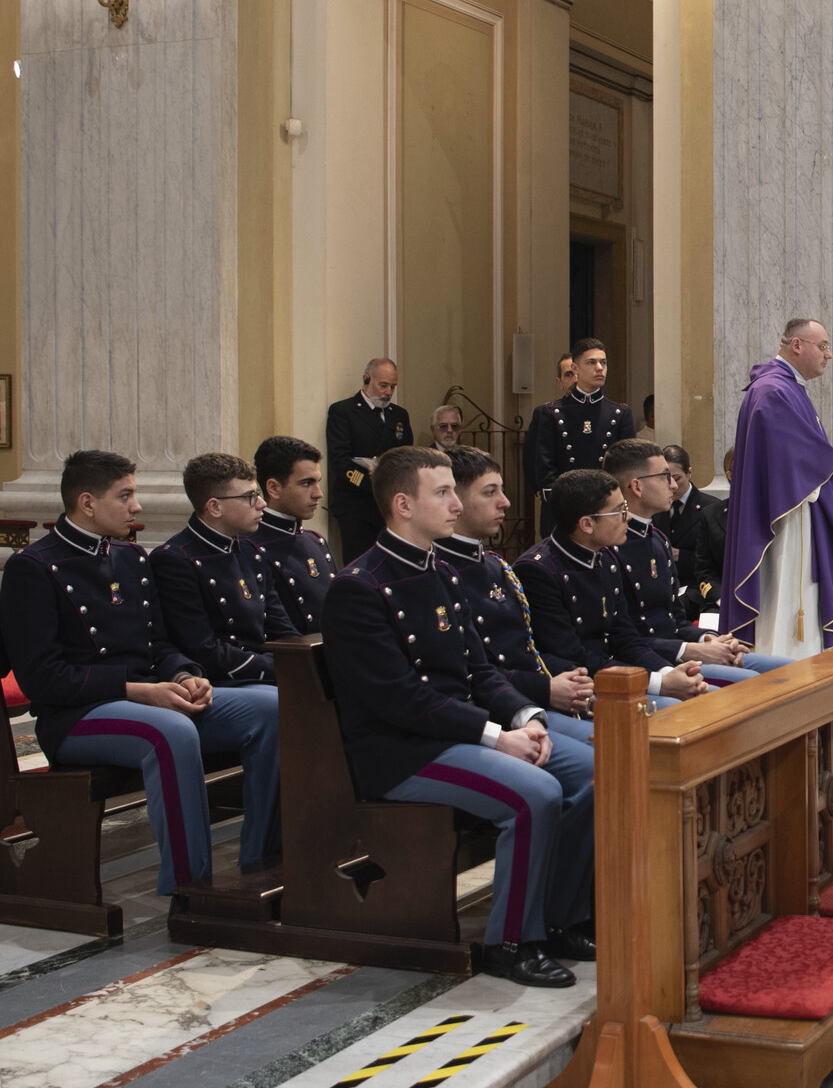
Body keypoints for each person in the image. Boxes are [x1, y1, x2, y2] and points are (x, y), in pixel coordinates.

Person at [320, 446, 593, 986]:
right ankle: (512, 942)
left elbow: (478, 668)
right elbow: (399, 699)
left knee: (594, 772)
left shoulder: (439, 572)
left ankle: (563, 918)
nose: (454, 503)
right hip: (402, 752)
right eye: (442, 492)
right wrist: (496, 738)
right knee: (533, 793)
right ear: (403, 504)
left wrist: (522, 716)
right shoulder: (359, 587)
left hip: (457, 732)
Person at [0, 450, 283, 891]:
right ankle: (189, 887)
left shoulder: (131, 558)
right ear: (88, 502)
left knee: (273, 707)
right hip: (77, 718)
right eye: (126, 495)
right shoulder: (33, 567)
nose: (137, 506)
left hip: (148, 698)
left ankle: (261, 863)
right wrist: (137, 690)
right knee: (170, 732)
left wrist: (187, 674)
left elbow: (159, 644)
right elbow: (42, 678)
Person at [722, 319, 833, 656]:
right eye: (823, 346)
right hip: (785, 523)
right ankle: (784, 680)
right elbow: (779, 466)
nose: (829, 355)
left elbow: (791, 450)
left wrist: (825, 456)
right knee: (787, 606)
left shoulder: (786, 387)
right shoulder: (774, 391)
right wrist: (830, 463)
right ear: (797, 346)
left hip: (796, 513)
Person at [517, 469, 708, 702]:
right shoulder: (538, 570)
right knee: (687, 711)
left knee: (707, 699)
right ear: (587, 524)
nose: (628, 517)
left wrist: (668, 674)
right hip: (586, 686)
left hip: (621, 672)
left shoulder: (605, 558)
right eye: (620, 511)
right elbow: (571, 655)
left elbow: (626, 639)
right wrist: (656, 682)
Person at [603, 440, 790, 679]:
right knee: (759, 684)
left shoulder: (657, 539)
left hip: (678, 650)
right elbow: (626, 636)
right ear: (637, 487)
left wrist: (708, 638)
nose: (672, 485)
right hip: (653, 662)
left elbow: (675, 618)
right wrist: (690, 650)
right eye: (664, 477)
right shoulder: (611, 547)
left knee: (793, 670)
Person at [439, 447, 599, 724]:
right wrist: (546, 689)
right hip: (497, 711)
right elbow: (474, 670)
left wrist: (574, 675)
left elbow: (526, 651)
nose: (505, 502)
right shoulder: (441, 573)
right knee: (602, 759)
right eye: (490, 492)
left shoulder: (494, 565)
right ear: (456, 500)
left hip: (531, 695)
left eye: (501, 491)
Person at [152, 453, 299, 686]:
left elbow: (283, 631)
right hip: (221, 681)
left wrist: (305, 663)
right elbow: (203, 650)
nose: (261, 504)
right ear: (214, 507)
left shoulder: (252, 552)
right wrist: (280, 669)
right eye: (250, 496)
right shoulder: (174, 560)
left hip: (265, 673)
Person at [524, 337, 634, 540]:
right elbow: (543, 467)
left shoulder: (619, 413)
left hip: (605, 510)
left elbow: (626, 467)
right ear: (575, 368)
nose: (599, 368)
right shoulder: (552, 413)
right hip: (565, 512)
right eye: (591, 363)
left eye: (603, 362)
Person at [326, 358, 414, 564]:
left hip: (389, 503)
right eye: (383, 385)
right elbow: (339, 460)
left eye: (393, 386)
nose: (389, 392)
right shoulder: (344, 412)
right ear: (366, 380)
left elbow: (407, 456)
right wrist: (372, 484)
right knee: (361, 563)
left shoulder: (399, 415)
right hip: (357, 502)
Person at [249, 435, 338, 634]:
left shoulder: (316, 541)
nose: (318, 493)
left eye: (317, 482)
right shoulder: (249, 546)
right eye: (307, 483)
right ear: (273, 488)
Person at [657, 444, 726, 621]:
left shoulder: (710, 508)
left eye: (677, 478)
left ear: (689, 472)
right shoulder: (657, 507)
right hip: (663, 583)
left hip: (695, 586)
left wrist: (680, 556)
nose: (671, 485)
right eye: (665, 479)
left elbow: (714, 562)